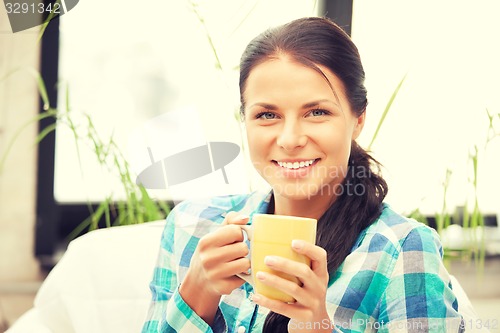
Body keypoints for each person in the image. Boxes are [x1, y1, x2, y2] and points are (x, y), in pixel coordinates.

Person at [142, 17, 465, 333]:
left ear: (358, 119)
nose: (290, 139)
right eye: (267, 115)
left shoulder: (400, 249)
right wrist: (198, 291)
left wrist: (318, 326)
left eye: (317, 112)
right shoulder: (191, 226)